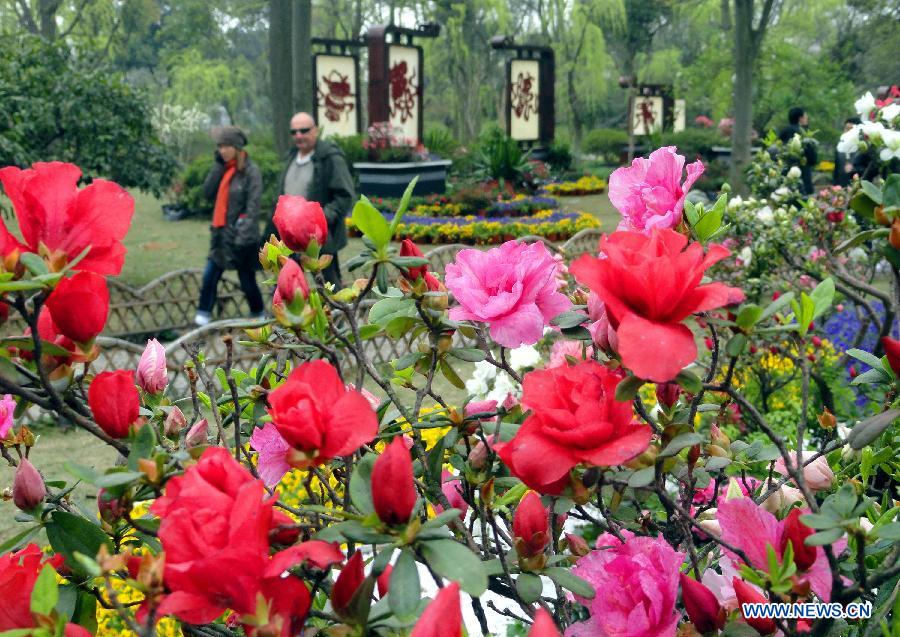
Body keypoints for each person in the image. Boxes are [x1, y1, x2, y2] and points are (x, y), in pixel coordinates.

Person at [269, 112, 355, 287]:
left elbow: (345, 195)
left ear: (315, 130)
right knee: (290, 288)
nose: (298, 135)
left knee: (330, 287)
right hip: (289, 238)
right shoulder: (291, 157)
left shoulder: (330, 157)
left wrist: (320, 219)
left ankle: (339, 313)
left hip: (319, 239)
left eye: (304, 130)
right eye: (294, 132)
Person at [194, 126, 265, 326]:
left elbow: (253, 208)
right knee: (210, 276)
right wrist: (217, 167)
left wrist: (242, 237)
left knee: (247, 280)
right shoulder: (223, 169)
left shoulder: (251, 172)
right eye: (219, 147)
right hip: (220, 235)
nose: (222, 151)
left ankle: (258, 314)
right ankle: (202, 318)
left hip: (242, 238)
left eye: (226, 146)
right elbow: (207, 192)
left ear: (237, 147)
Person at [778, 107, 818, 195]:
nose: (807, 119)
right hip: (803, 174)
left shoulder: (783, 133)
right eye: (806, 117)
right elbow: (812, 158)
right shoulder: (803, 134)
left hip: (785, 173)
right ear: (800, 118)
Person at [834, 116, 862, 187]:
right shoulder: (840, 148)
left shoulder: (863, 149)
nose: (847, 132)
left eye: (851, 129)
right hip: (842, 188)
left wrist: (853, 169)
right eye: (846, 128)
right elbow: (836, 171)